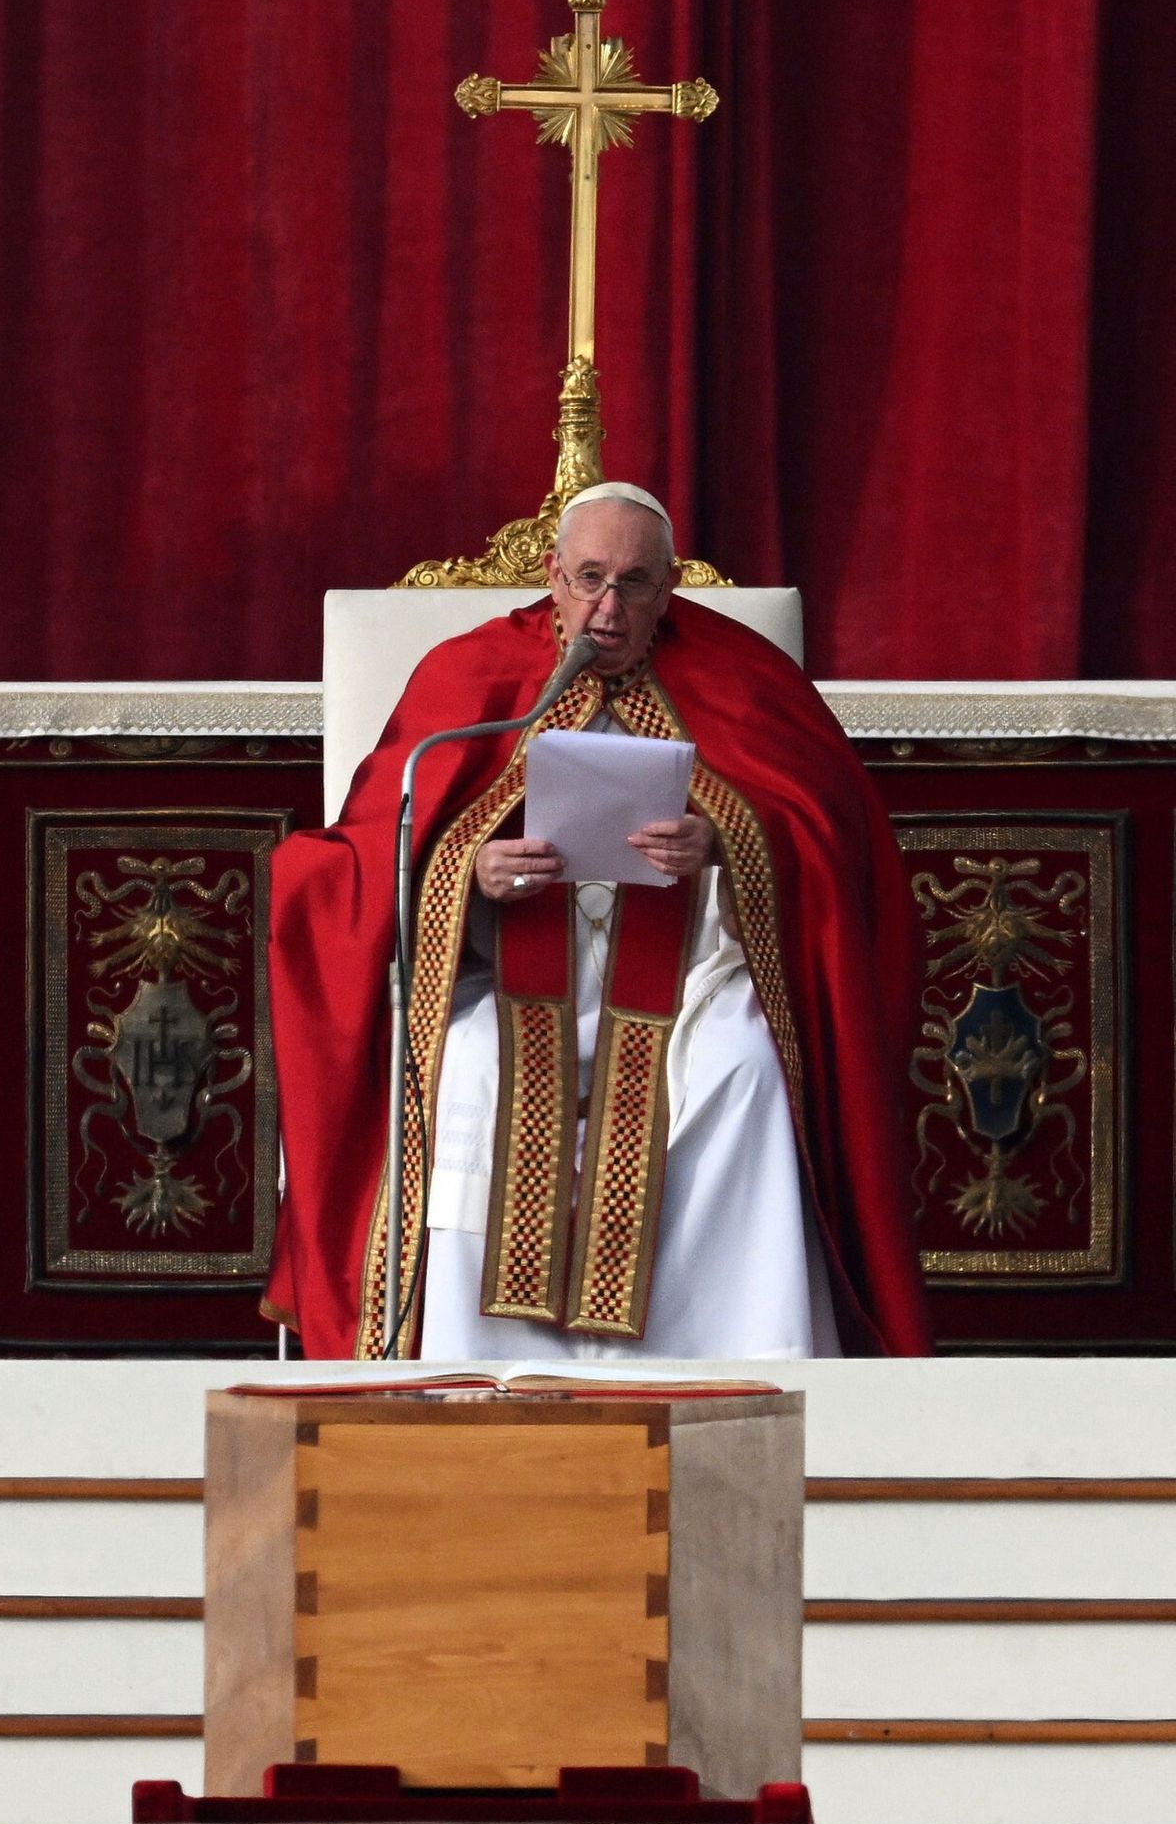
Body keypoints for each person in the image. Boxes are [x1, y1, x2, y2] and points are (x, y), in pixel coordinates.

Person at [265, 482, 931, 1359]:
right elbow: (351, 861)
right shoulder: (469, 675)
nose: (608, 610)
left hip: (694, 970)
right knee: (468, 1069)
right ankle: (484, 1368)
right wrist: (468, 874)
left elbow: (840, 849)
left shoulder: (745, 677)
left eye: (635, 584)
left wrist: (728, 843)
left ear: (671, 587)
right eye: (588, 579)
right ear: (552, 576)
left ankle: (732, 1360)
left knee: (746, 1071)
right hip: (502, 974)